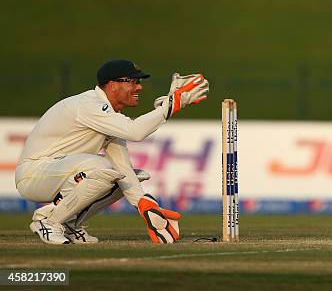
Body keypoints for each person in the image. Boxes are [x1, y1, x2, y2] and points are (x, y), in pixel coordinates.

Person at [15, 59, 209, 244]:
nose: (139, 87)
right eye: (133, 81)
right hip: (35, 174)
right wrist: (174, 103)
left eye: (139, 82)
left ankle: (69, 223)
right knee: (101, 167)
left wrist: (145, 207)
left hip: (61, 172)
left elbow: (122, 167)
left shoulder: (108, 116)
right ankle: (47, 221)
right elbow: (136, 131)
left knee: (128, 175)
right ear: (112, 85)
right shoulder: (89, 105)